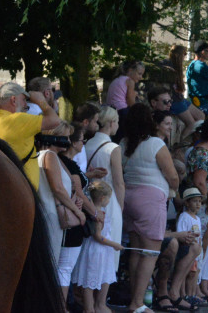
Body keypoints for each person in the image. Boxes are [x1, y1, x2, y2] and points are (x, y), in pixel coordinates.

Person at [121, 103, 180, 313]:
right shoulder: (155, 143)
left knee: (136, 251)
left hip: (128, 198)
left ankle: (134, 300)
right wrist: (175, 187)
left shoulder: (124, 143)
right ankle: (137, 302)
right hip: (151, 200)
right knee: (150, 253)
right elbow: (172, 175)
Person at [0, 81, 61, 190]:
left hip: (15, 186)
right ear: (13, 100)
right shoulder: (17, 120)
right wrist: (42, 102)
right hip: (22, 189)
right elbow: (55, 121)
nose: (26, 105)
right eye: (24, 99)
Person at [58, 123, 96, 305]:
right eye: (82, 140)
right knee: (65, 267)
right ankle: (61, 306)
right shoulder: (67, 163)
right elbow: (78, 193)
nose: (84, 144)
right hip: (71, 220)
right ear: (73, 143)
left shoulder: (63, 162)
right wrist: (95, 213)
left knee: (63, 267)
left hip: (68, 216)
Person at [84, 106, 125, 277]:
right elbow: (119, 182)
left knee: (90, 248)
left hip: (89, 198)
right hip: (109, 199)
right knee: (109, 249)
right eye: (116, 122)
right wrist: (121, 207)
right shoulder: (112, 148)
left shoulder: (87, 144)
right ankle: (101, 297)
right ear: (110, 123)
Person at [71, 180, 123, 313]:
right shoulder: (97, 214)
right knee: (90, 279)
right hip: (97, 251)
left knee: (101, 276)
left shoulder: (96, 211)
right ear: (102, 198)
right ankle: (89, 308)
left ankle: (99, 305)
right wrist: (115, 244)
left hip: (102, 252)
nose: (109, 201)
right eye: (109, 198)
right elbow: (98, 236)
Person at [37, 122, 83, 270]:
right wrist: (77, 212)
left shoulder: (50, 156)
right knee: (49, 263)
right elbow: (57, 188)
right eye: (65, 137)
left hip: (50, 214)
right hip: (51, 215)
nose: (68, 141)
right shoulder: (49, 155)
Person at [169, 187, 204, 310]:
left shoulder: (198, 218)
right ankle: (182, 293)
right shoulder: (184, 216)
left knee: (193, 272)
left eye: (199, 201)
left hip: (196, 250)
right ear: (187, 203)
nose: (198, 204)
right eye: (195, 201)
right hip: (187, 248)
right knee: (185, 273)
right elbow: (181, 232)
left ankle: (190, 294)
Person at [160, 45, 204, 129]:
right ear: (179, 54)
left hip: (180, 98)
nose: (185, 56)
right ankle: (182, 141)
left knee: (201, 116)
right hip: (174, 100)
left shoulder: (177, 66)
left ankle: (195, 140)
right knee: (191, 124)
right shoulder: (168, 64)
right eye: (184, 54)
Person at [71, 102, 101, 173]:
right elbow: (72, 173)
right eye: (95, 121)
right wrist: (90, 175)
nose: (97, 125)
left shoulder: (78, 137)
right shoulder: (75, 139)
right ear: (86, 122)